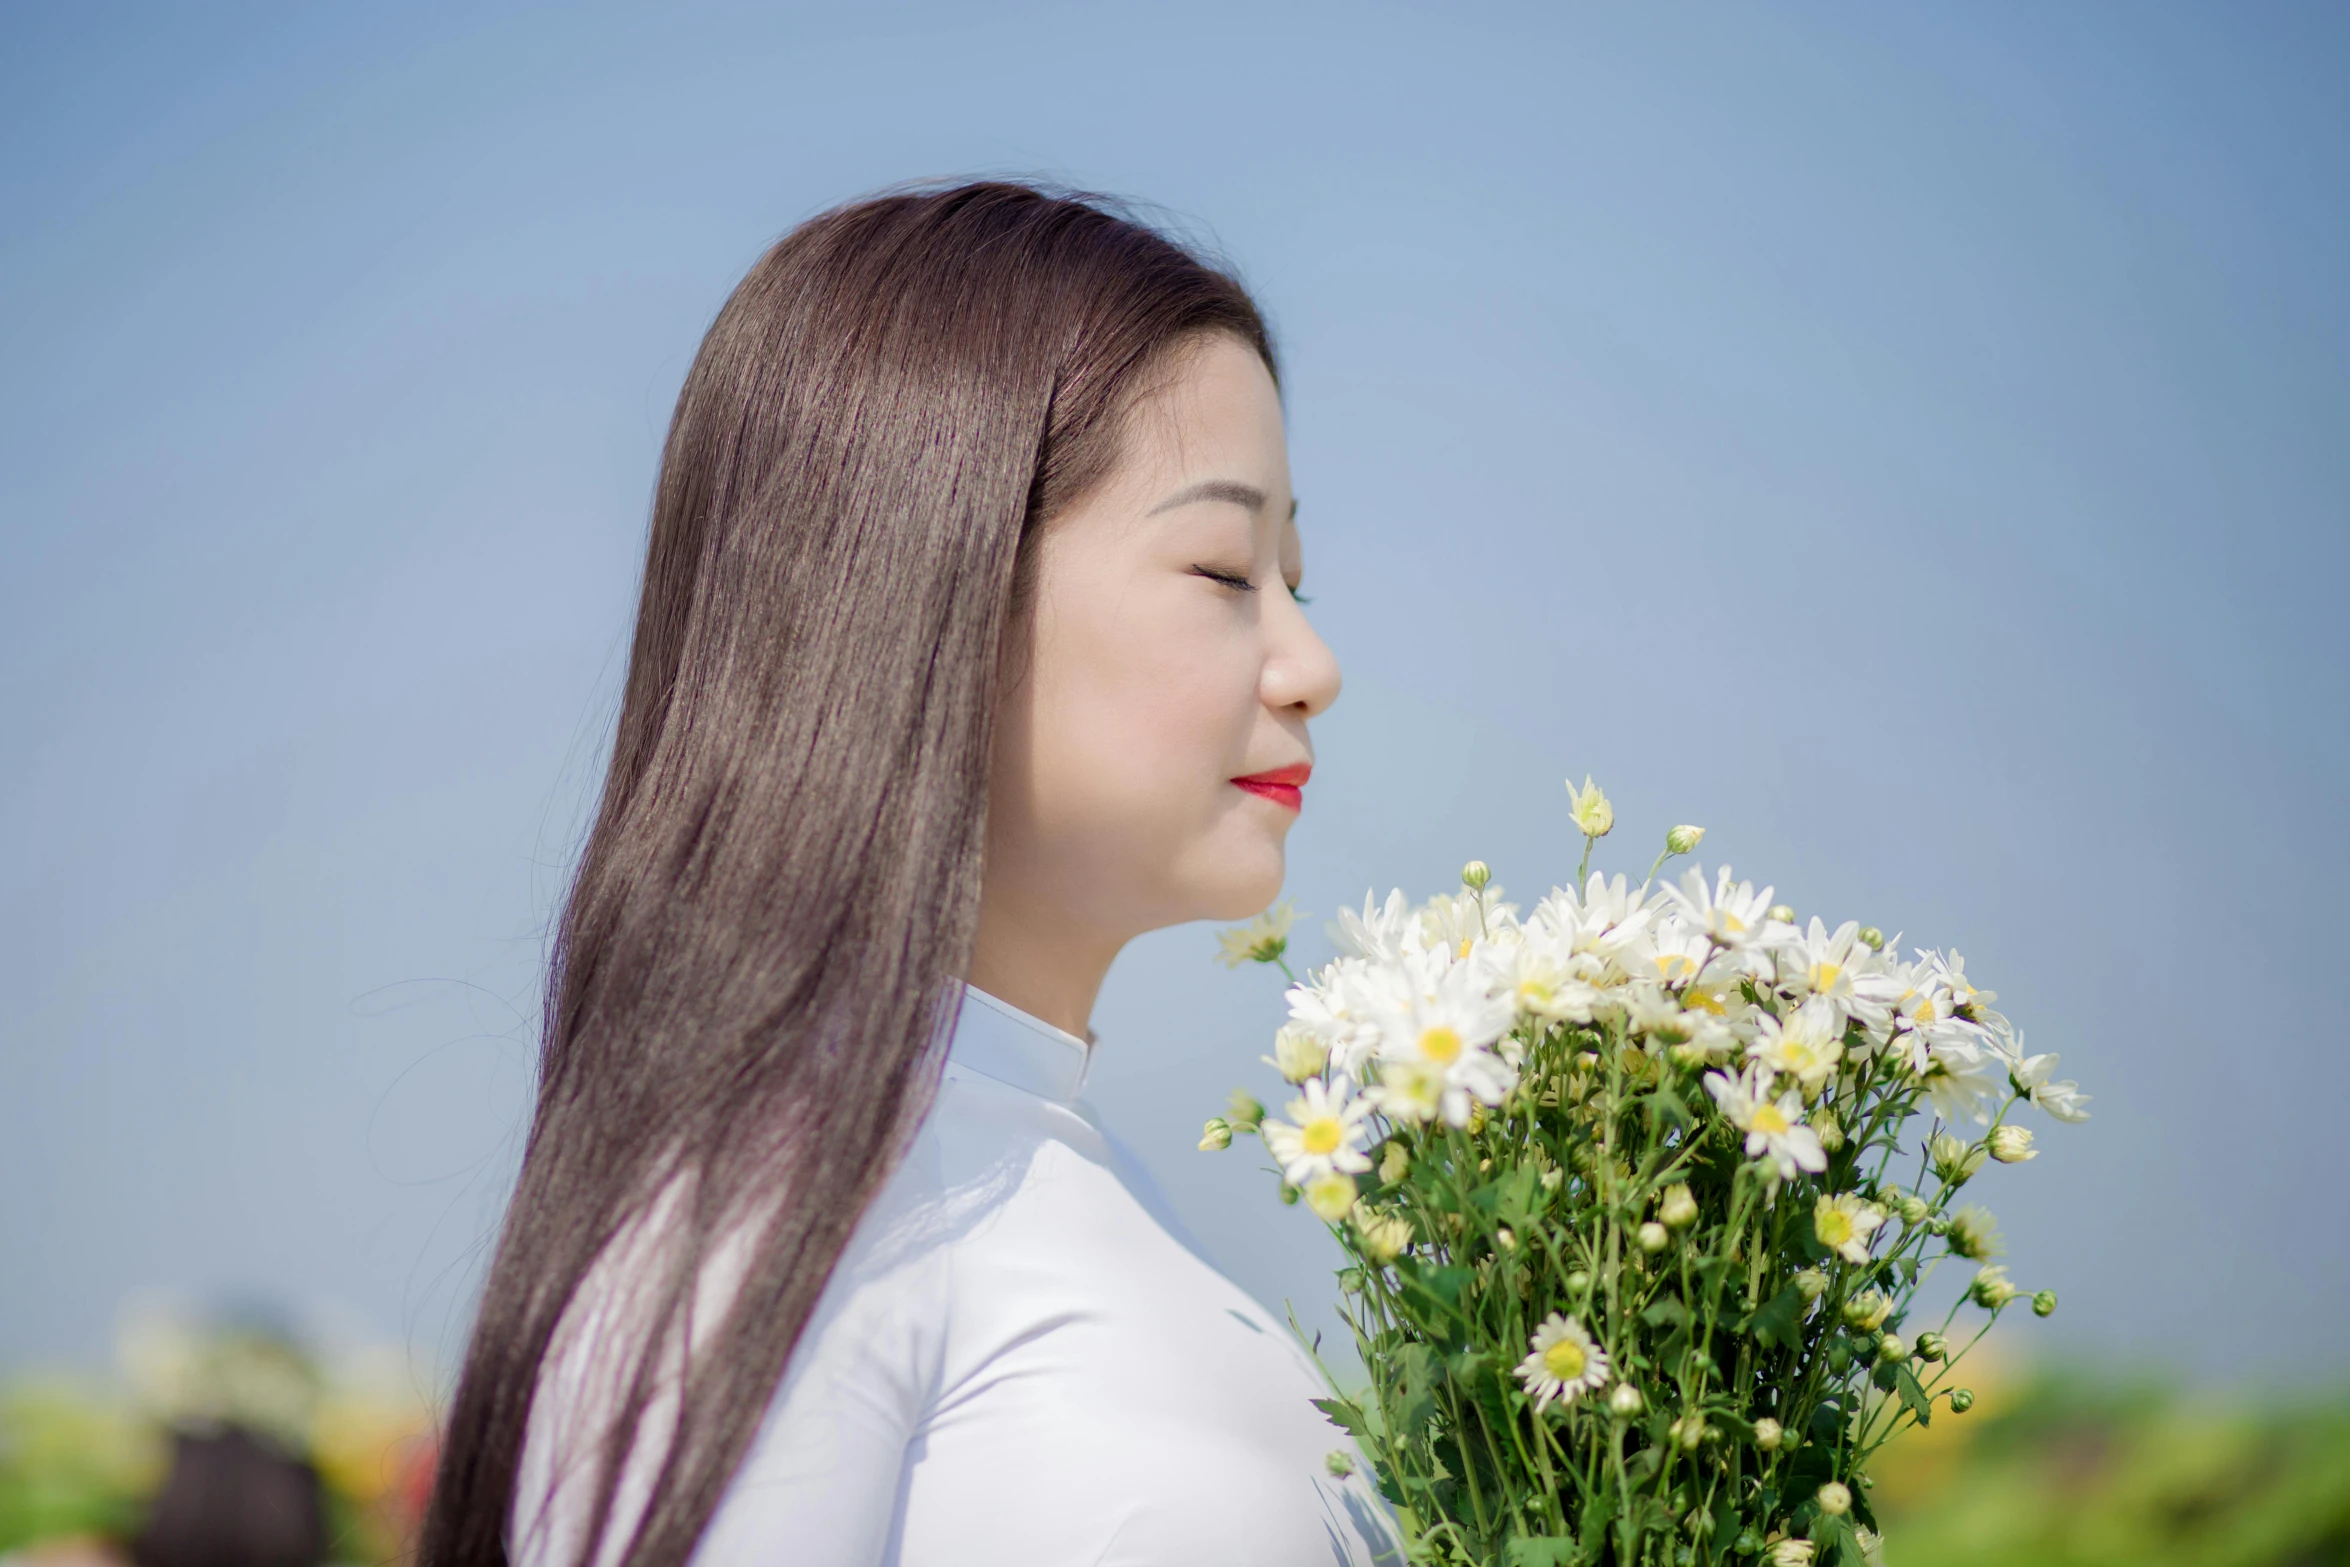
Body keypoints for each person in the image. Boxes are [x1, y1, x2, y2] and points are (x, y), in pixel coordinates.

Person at [419, 181, 1394, 1567]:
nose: (1311, 667)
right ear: (927, 580)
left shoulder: (1060, 1179)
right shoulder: (774, 1207)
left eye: (1296, 580)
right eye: (1224, 568)